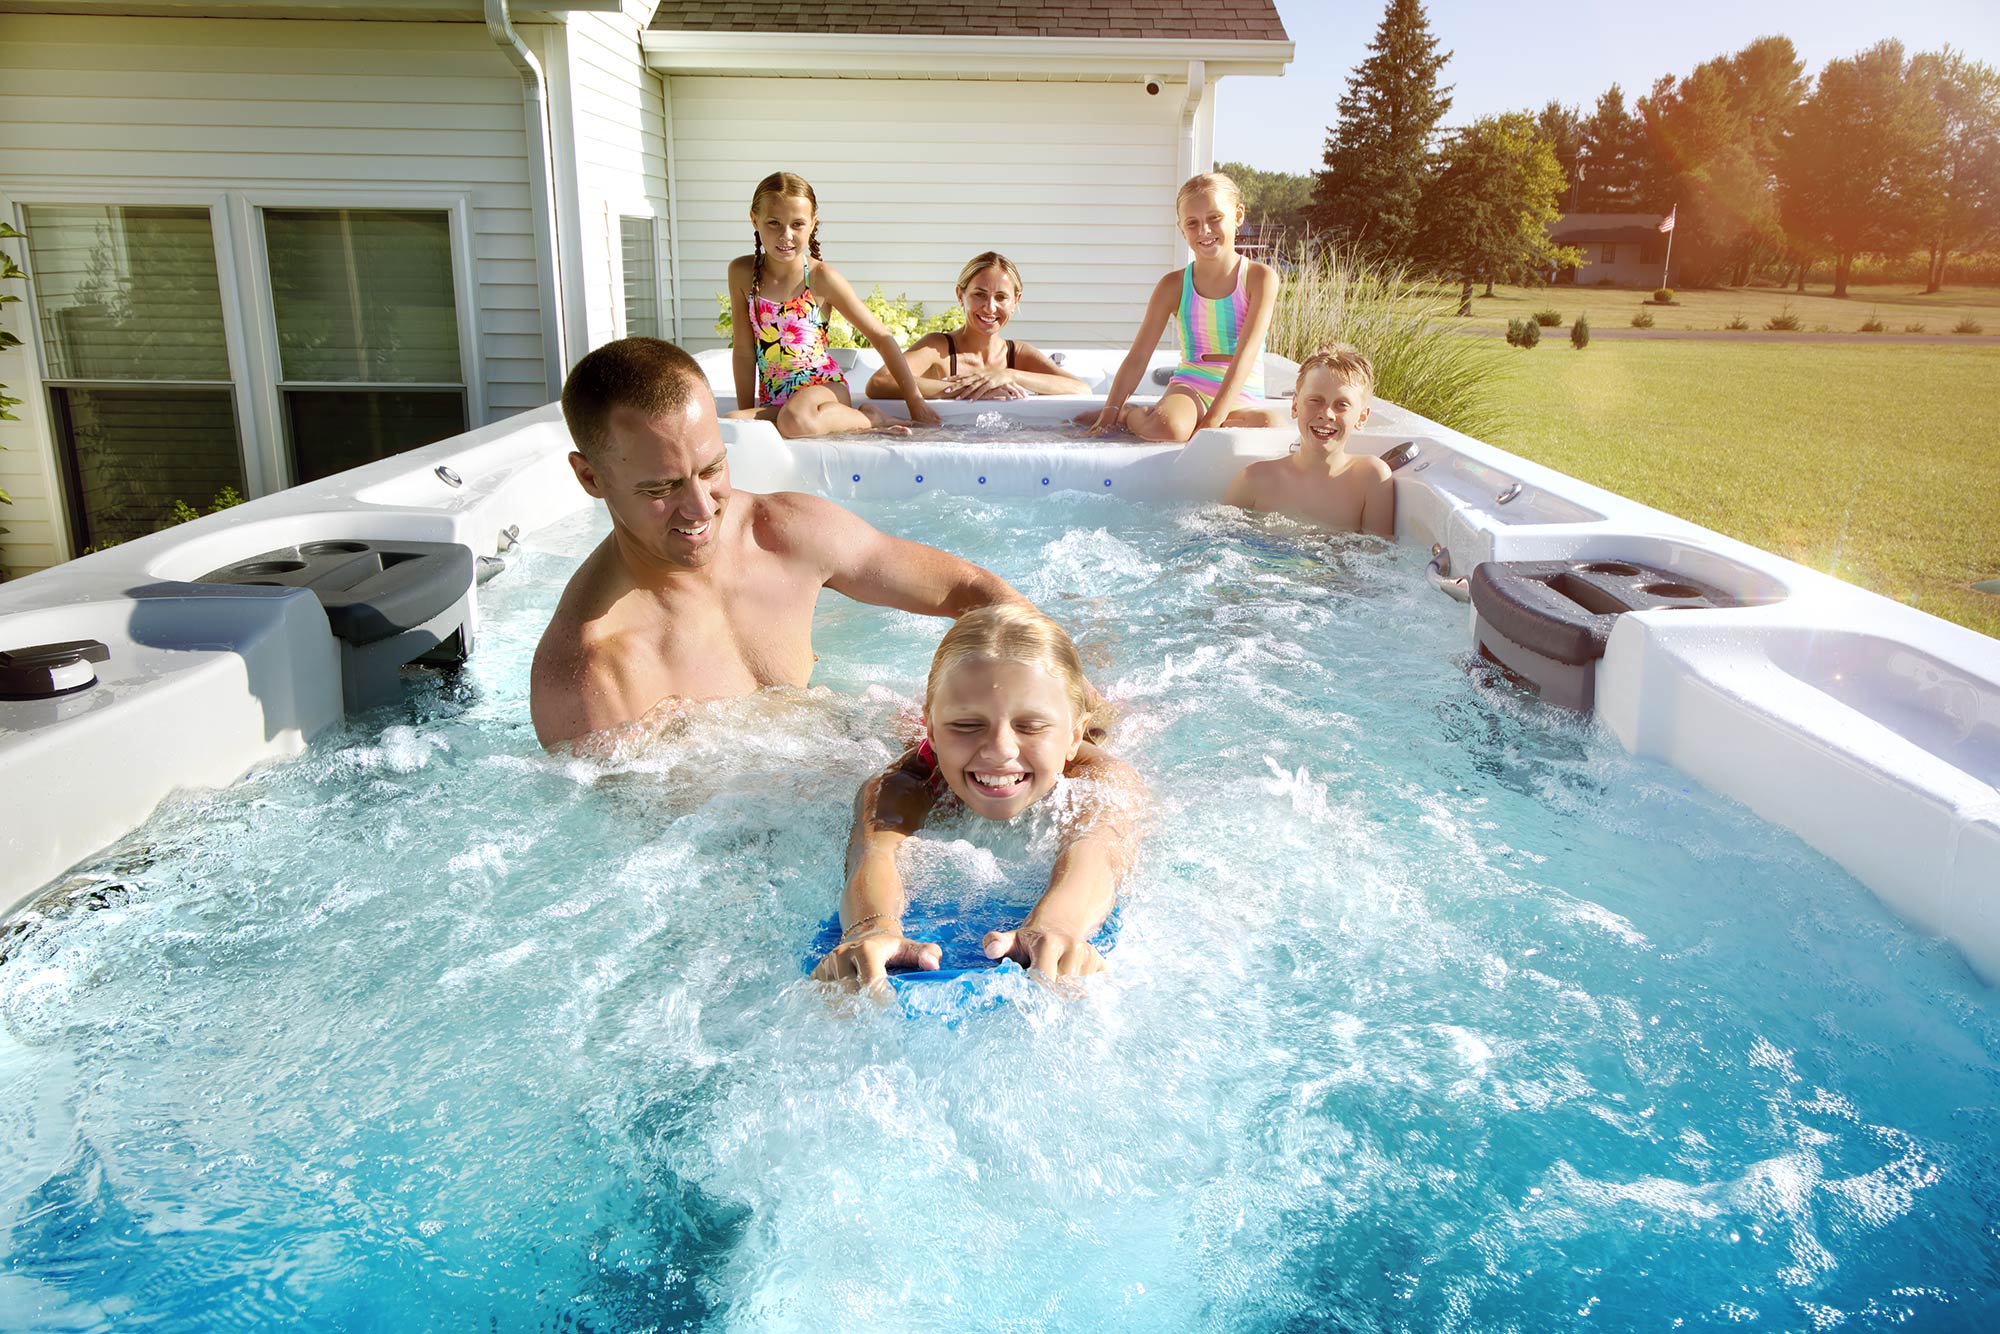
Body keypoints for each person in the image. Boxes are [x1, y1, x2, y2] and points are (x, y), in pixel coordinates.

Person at [530, 337, 1022, 751]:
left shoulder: (781, 532)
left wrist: (1067, 697)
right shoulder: (592, 675)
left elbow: (973, 590)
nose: (702, 509)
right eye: (661, 488)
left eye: (711, 469)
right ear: (590, 477)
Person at [812, 603, 1145, 988]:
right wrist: (871, 929)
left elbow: (1096, 851)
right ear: (931, 730)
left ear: (1072, 736)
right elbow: (874, 851)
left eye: (1031, 726)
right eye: (966, 725)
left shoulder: (1103, 779)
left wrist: (1056, 927)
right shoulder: (908, 781)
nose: (999, 750)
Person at [726, 171, 940, 436]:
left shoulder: (820, 278)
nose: (786, 235)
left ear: (813, 224)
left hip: (824, 392)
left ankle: (870, 418)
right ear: (754, 219)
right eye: (773, 223)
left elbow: (881, 337)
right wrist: (747, 424)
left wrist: (914, 400)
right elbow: (745, 350)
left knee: (796, 418)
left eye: (797, 224)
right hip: (778, 403)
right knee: (732, 420)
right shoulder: (742, 273)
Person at [1081, 172, 1288, 441]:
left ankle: (1194, 422)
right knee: (1169, 430)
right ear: (1181, 229)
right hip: (1192, 385)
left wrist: (1213, 420)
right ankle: (1130, 415)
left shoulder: (1260, 278)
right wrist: (1109, 413)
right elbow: (1138, 357)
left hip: (1242, 391)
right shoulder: (1174, 285)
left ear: (1238, 216)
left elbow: (1246, 355)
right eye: (1193, 223)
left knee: (1272, 426)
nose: (1204, 231)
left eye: (1215, 218)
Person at [863, 252, 1088, 401]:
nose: (990, 308)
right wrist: (974, 389)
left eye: (1001, 297)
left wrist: (1010, 375)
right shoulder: (938, 348)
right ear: (960, 295)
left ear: (1015, 301)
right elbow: (879, 383)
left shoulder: (1017, 354)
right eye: (979, 295)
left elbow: (1081, 389)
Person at [1222, 344, 1394, 537]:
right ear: (1295, 406)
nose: (1327, 414)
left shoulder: (1370, 478)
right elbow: (1217, 541)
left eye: (1341, 405)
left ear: (1362, 417)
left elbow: (1377, 553)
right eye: (1316, 400)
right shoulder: (1254, 480)